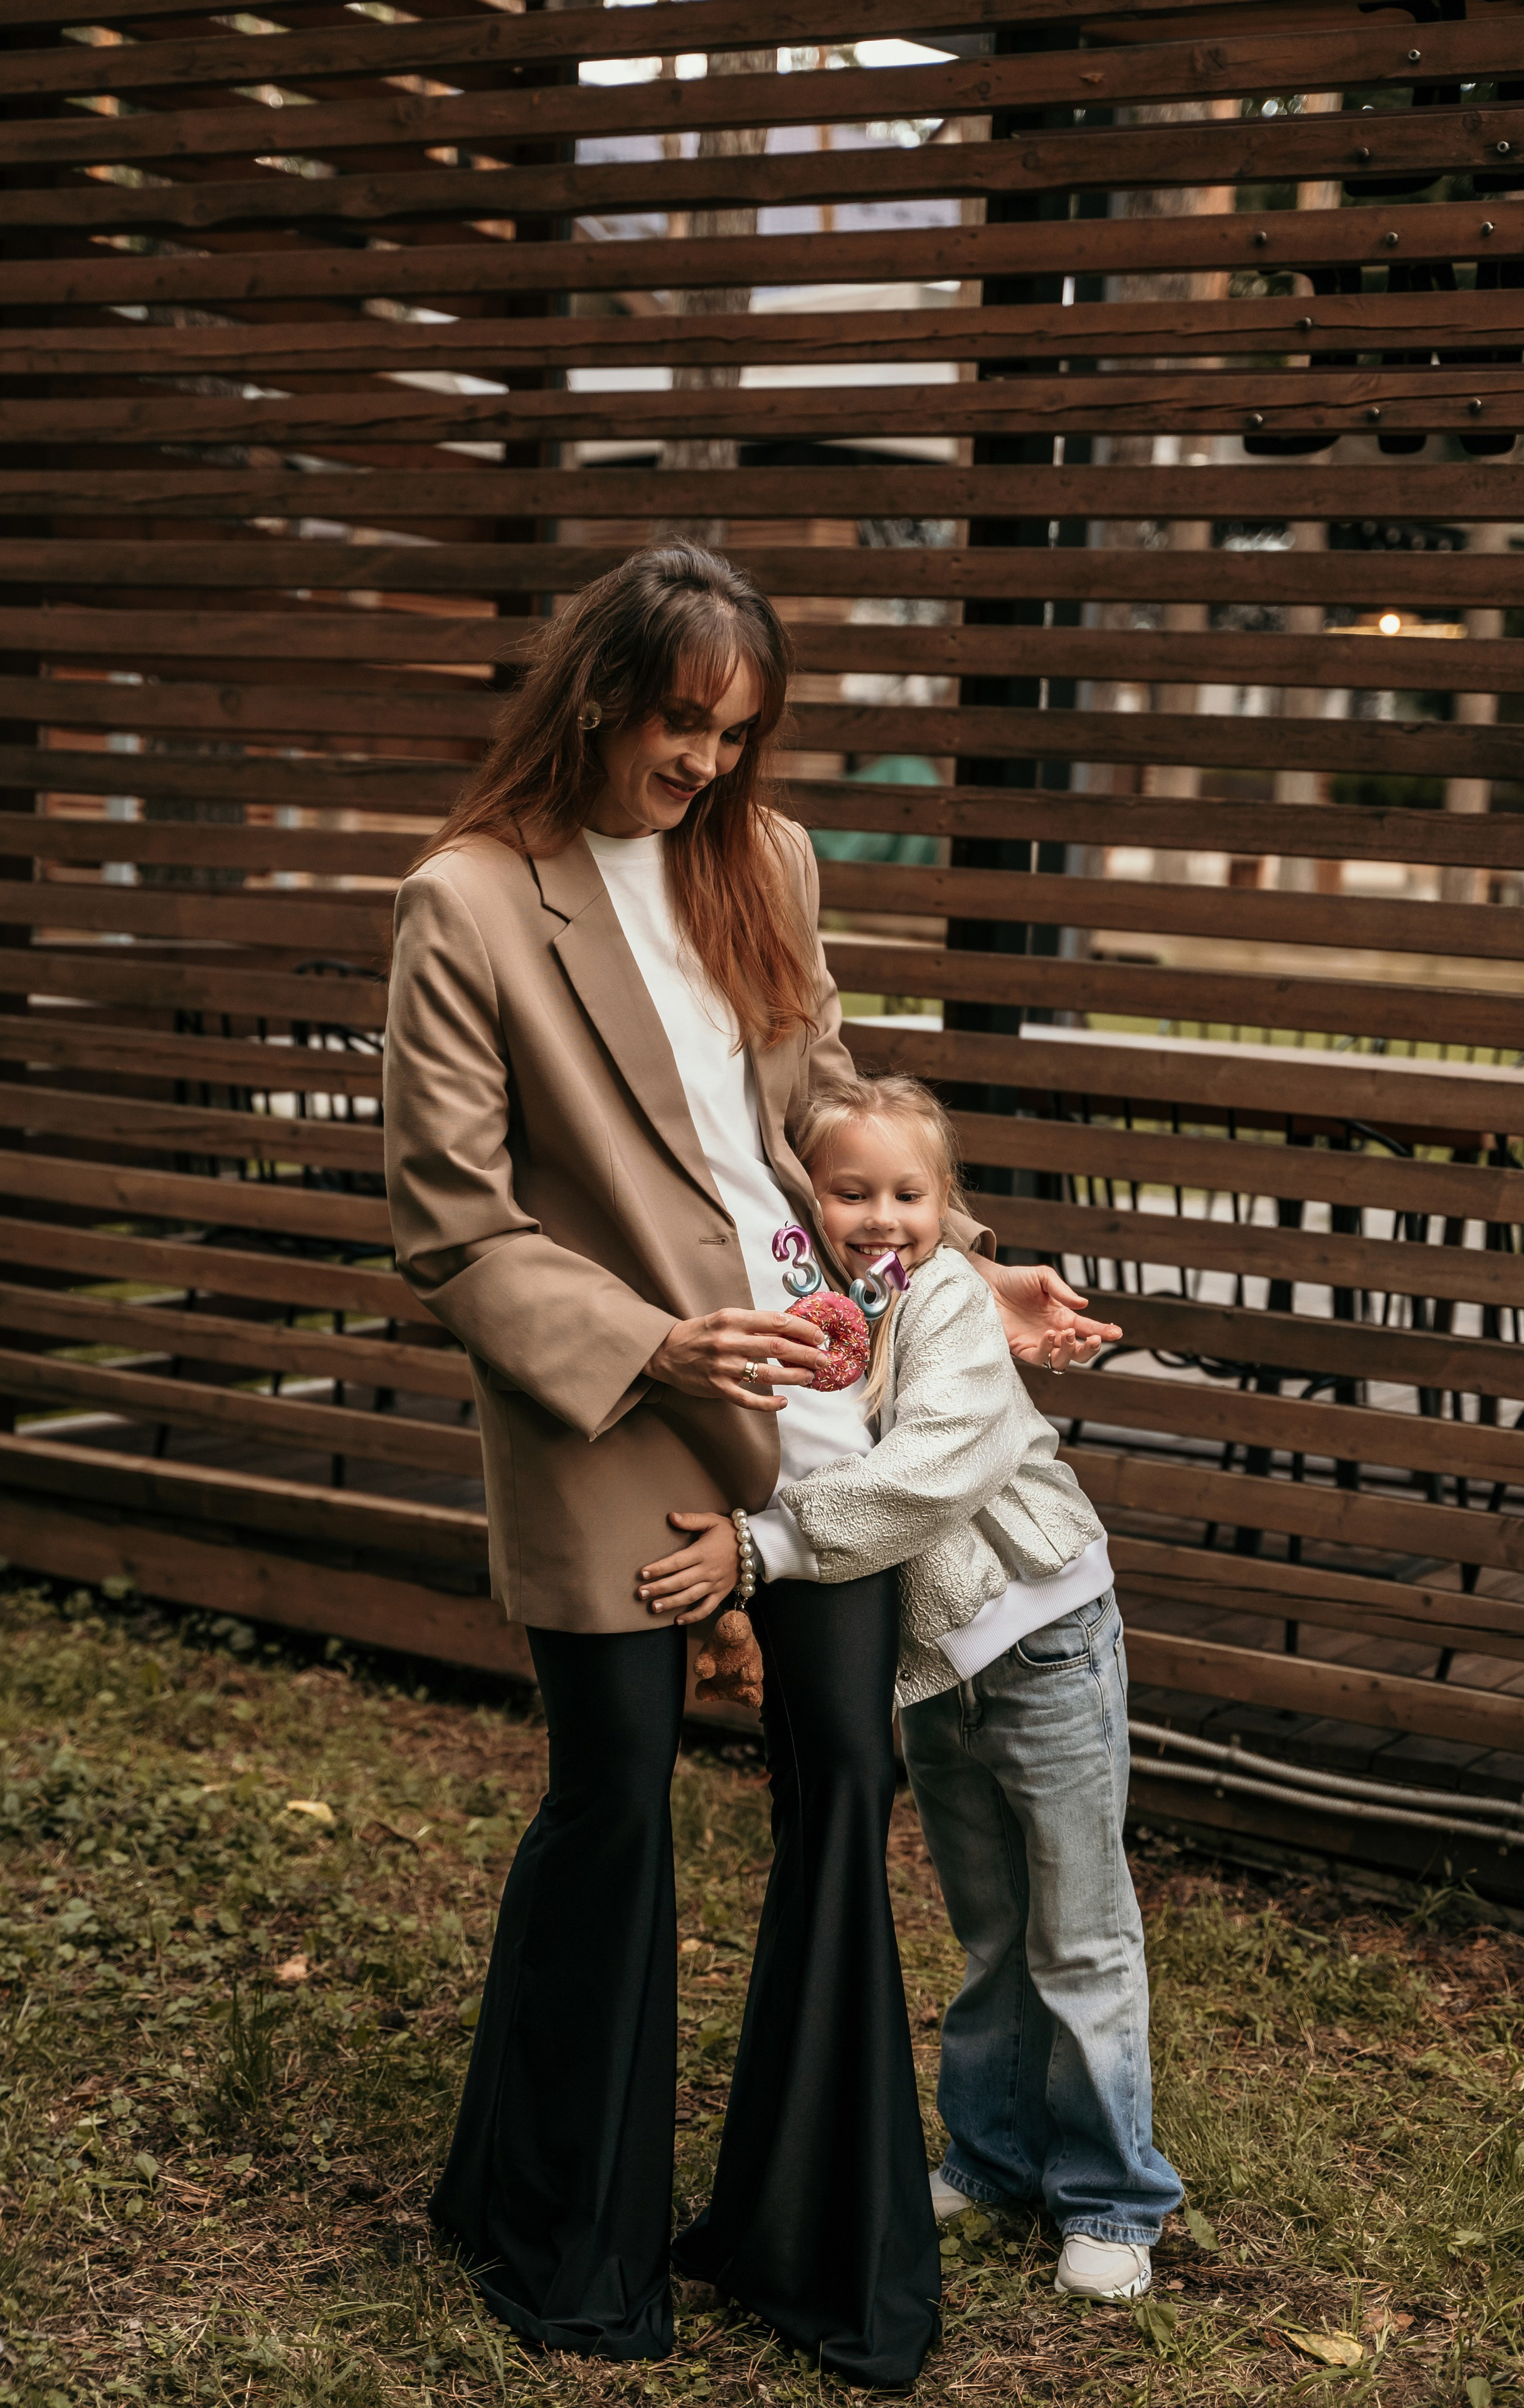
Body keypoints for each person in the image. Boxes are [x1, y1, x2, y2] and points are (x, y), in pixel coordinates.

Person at [383, 544, 1108, 2385]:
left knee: (844, 1772)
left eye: (738, 734)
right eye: (681, 723)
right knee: (618, 1797)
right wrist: (649, 1342)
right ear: (599, 690)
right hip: (616, 1409)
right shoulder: (468, 902)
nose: (706, 763)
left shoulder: (766, 862)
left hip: (813, 1398)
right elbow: (451, 1223)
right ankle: (553, 2225)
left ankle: (805, 2238)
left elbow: (825, 1114)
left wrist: (956, 1258)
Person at [654, 1072, 1183, 2303]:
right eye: (850, 1191)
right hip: (938, 1670)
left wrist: (762, 1548)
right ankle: (995, 2159)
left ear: (946, 1207)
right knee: (991, 1928)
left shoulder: (946, 1302)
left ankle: (1114, 2193)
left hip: (1044, 1637)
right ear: (804, 1199)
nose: (881, 1216)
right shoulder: (814, 1310)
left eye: (908, 1191)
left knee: (1077, 1927)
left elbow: (935, 1471)